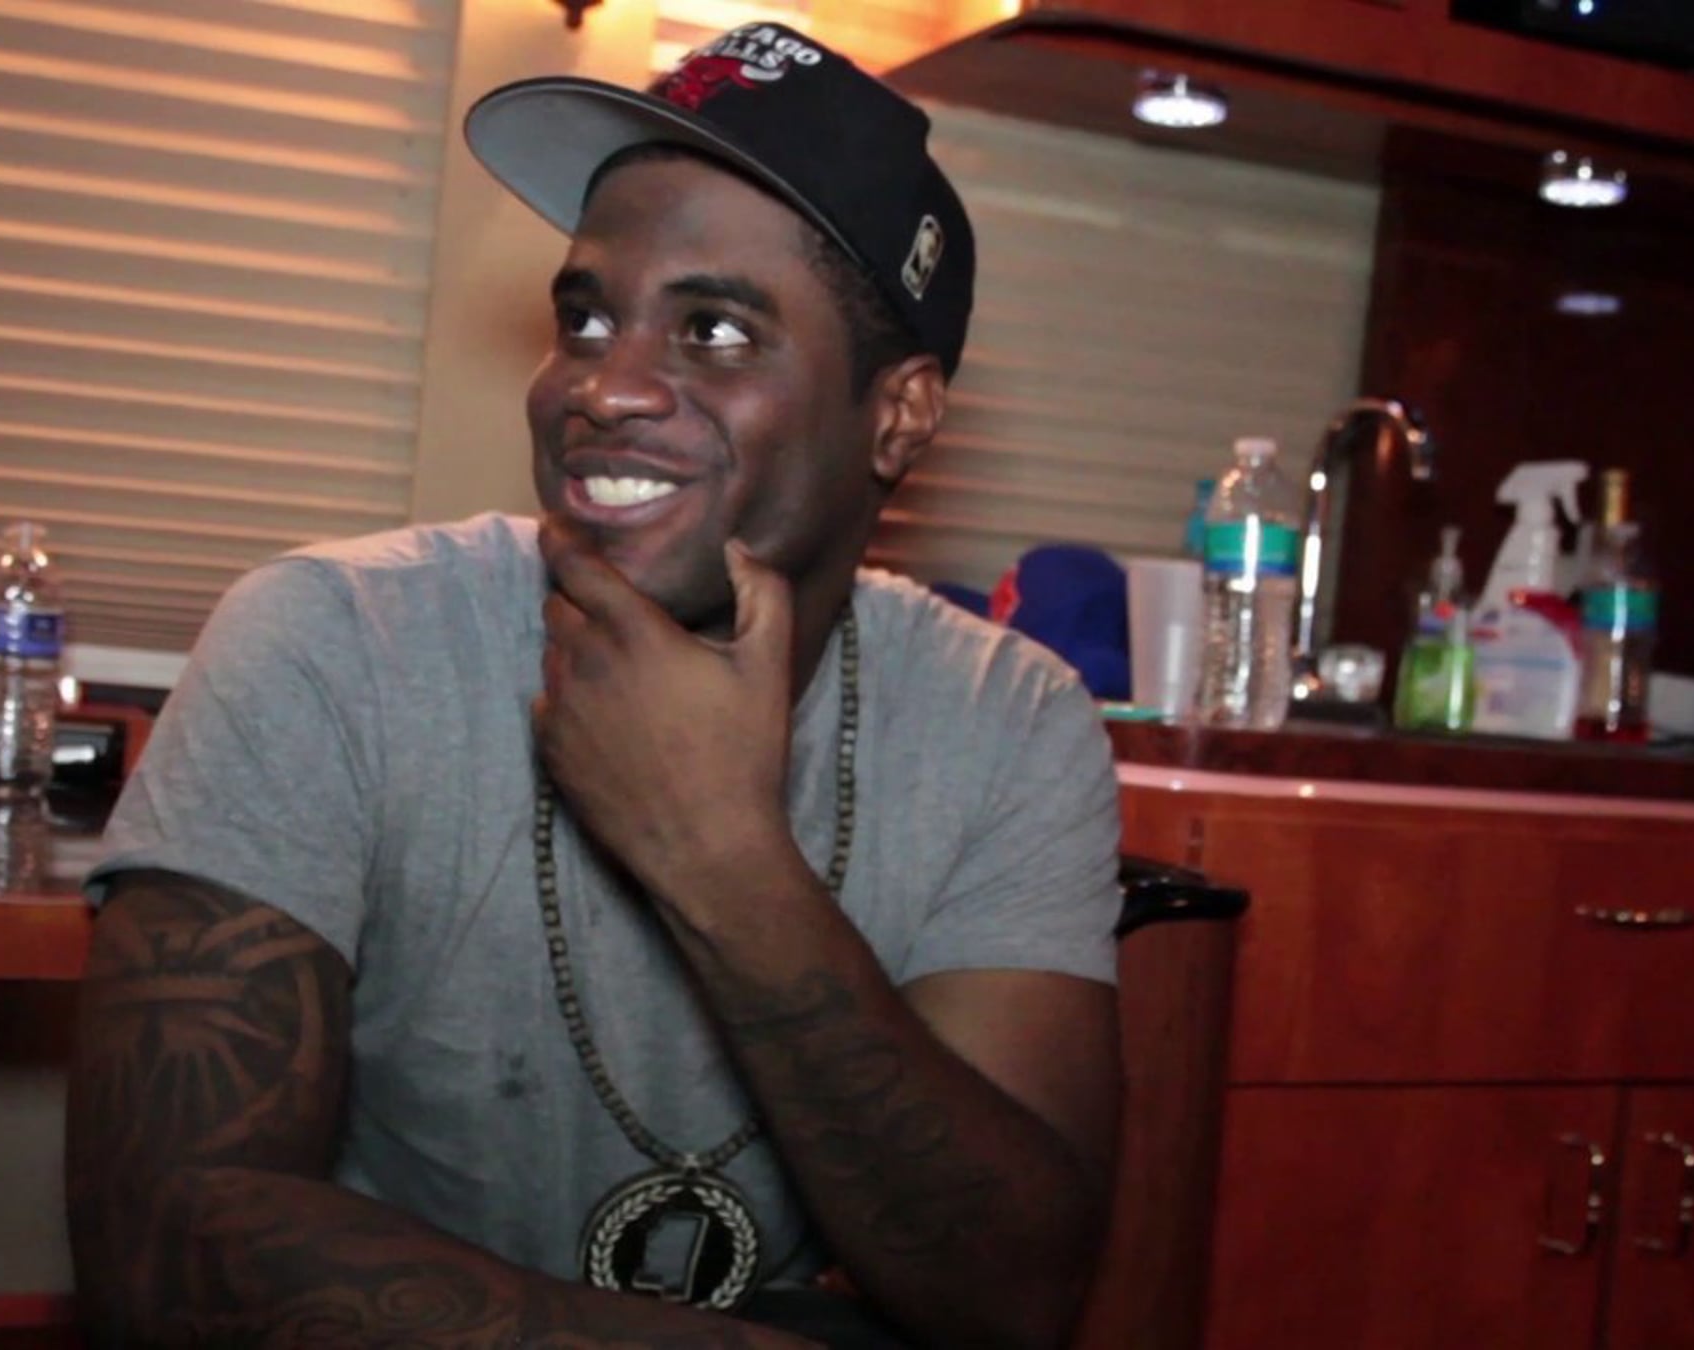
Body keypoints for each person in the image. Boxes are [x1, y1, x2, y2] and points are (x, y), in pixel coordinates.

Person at [67, 23, 1123, 1350]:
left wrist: (723, 858)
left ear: (898, 415)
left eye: (716, 329)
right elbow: (160, 1247)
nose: (605, 387)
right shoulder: (333, 638)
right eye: (587, 317)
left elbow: (1013, 1296)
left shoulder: (1010, 719)